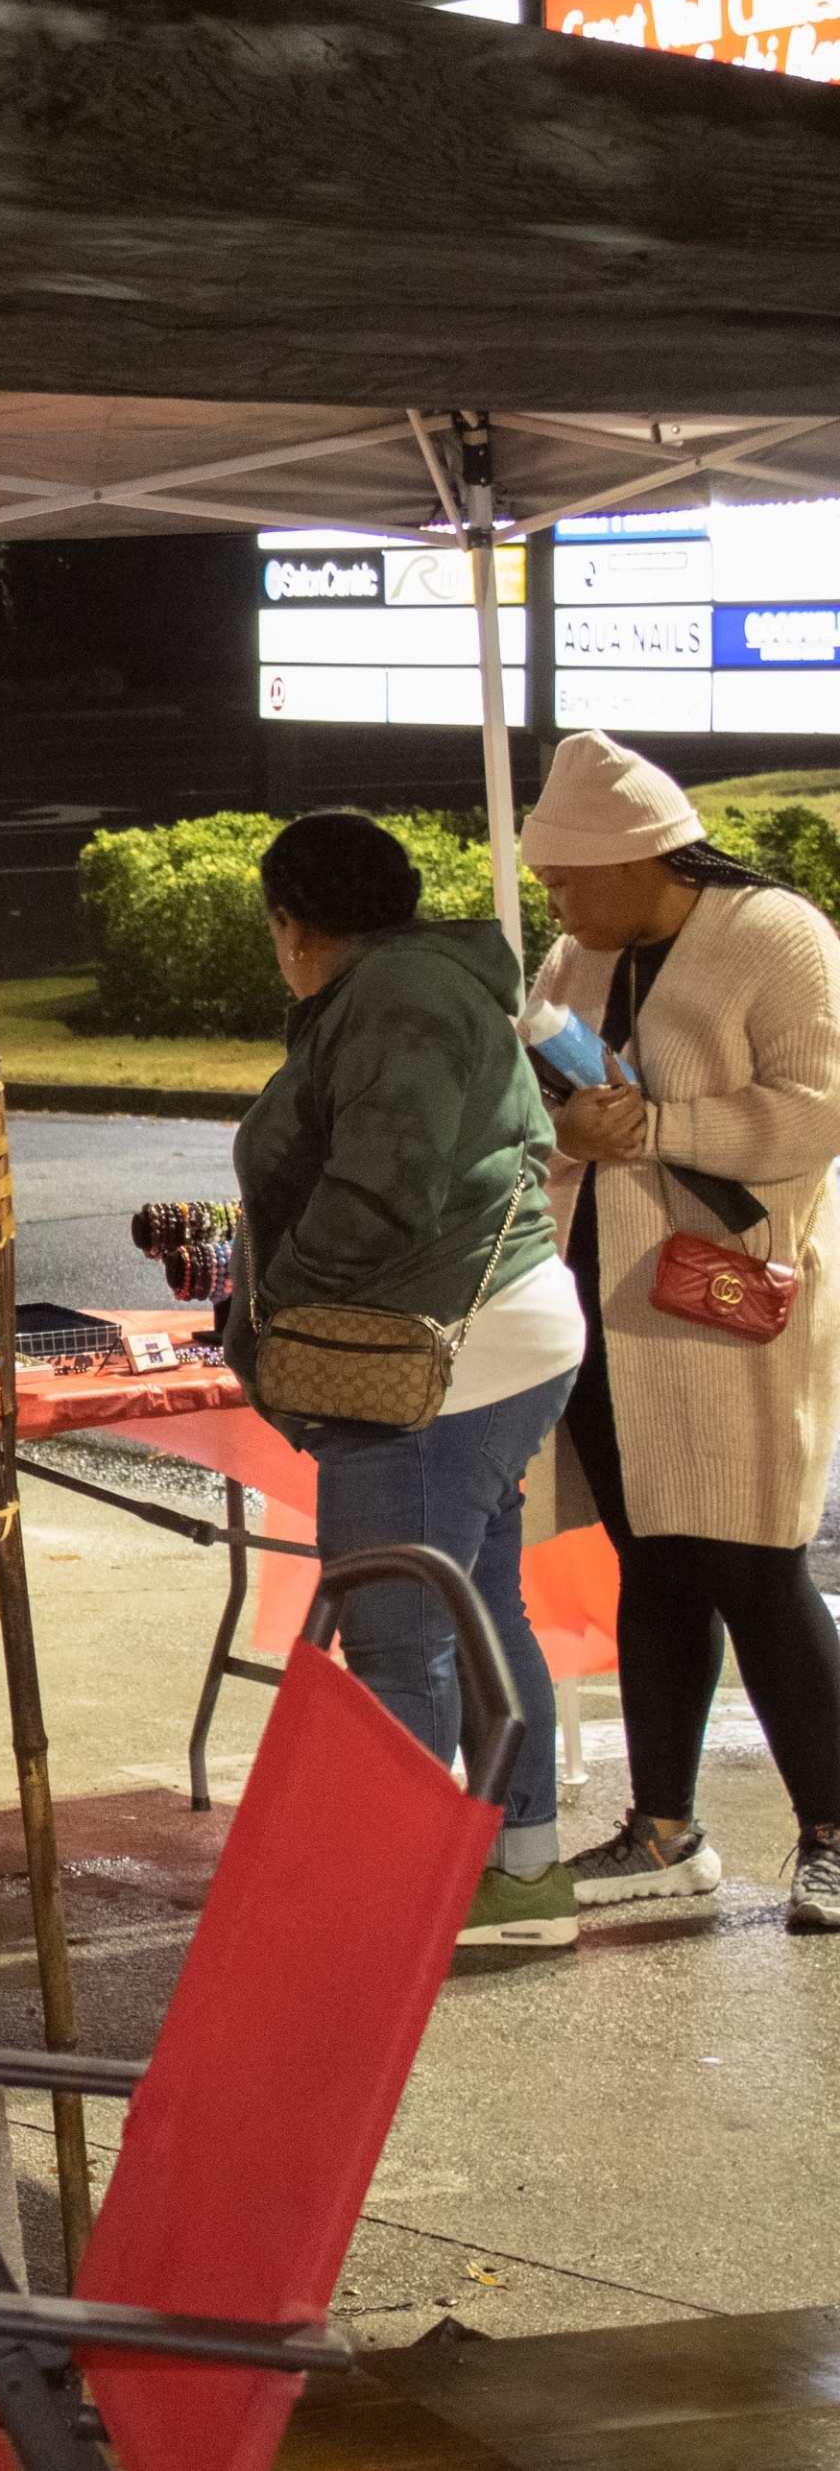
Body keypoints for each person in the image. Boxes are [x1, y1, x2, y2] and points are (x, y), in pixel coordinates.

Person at [229, 811, 583, 1949]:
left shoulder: (398, 998)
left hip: (435, 1358)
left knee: (398, 1635)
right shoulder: (409, 985)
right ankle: (517, 1867)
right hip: (481, 1340)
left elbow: (381, 1190)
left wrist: (279, 1303)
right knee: (474, 1612)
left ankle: (392, 1906)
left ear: (292, 924)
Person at [518, 734, 840, 1936]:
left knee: (755, 1561)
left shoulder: (779, 936)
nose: (556, 903)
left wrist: (650, 1127)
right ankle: (664, 1828)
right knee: (651, 1554)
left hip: (727, 1299)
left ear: (641, 855)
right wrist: (576, 1127)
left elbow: (814, 1116)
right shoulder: (581, 953)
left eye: (566, 879)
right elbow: (551, 1107)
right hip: (603, 1302)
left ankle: (833, 1831)